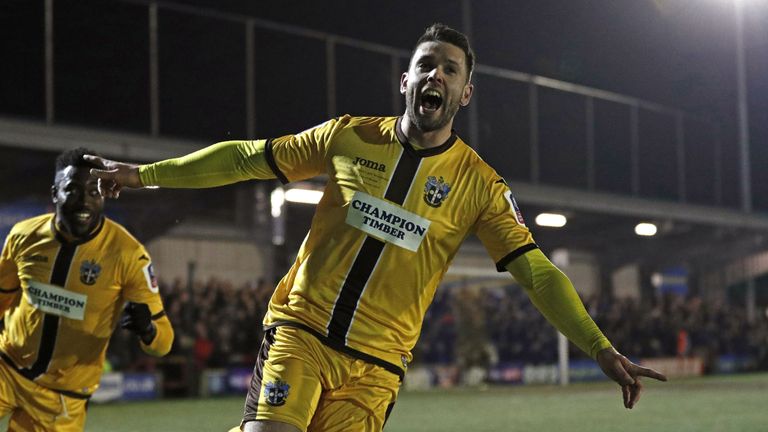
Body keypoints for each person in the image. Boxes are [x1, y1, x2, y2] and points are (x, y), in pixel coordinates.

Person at [87, 23, 666, 432]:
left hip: (377, 367)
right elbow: (243, 157)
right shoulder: (348, 136)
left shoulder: (480, 186)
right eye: (424, 65)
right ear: (405, 81)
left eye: (449, 68)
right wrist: (142, 176)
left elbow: (537, 274)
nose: (434, 74)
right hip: (302, 332)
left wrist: (601, 348)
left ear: (464, 92)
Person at [0, 148, 174, 431]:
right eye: (73, 190)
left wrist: (148, 330)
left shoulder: (128, 254)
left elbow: (163, 343)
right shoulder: (23, 234)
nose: (84, 201)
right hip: (6, 366)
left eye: (94, 192)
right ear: (55, 193)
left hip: (61, 396)